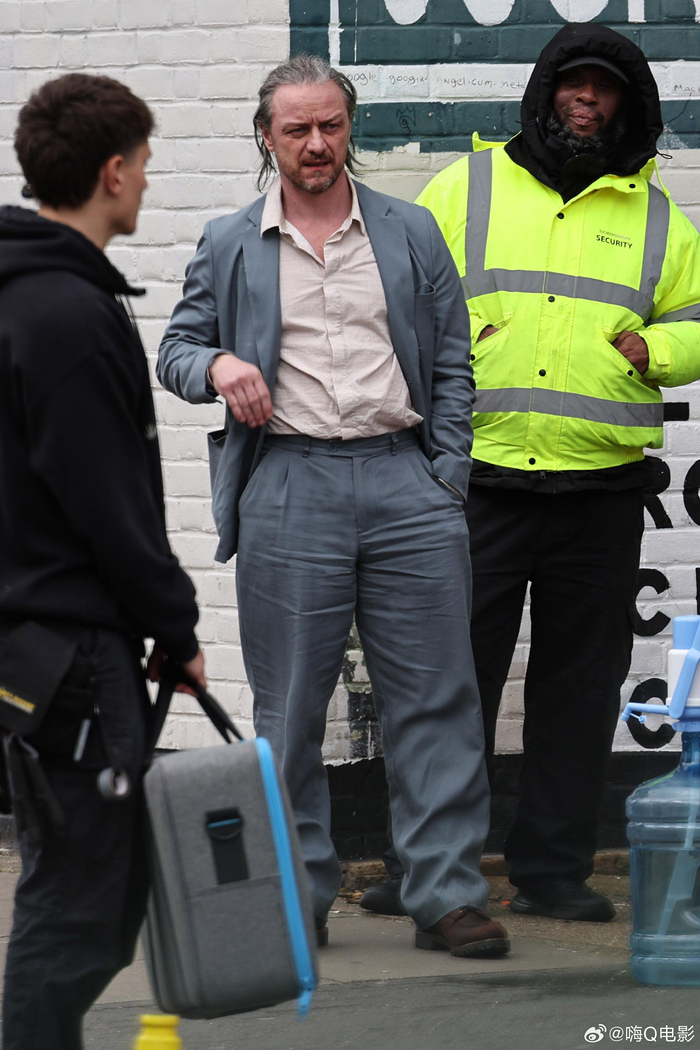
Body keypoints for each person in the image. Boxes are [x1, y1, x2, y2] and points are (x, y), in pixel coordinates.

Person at [158, 54, 509, 958]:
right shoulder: (231, 241)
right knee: (290, 713)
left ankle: (445, 895)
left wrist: (446, 475)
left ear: (349, 128)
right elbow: (176, 351)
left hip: (407, 483)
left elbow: (453, 359)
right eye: (297, 129)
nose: (317, 144)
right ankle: (296, 899)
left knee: (437, 700)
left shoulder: (409, 230)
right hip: (289, 483)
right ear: (266, 136)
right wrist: (218, 365)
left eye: (331, 126)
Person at [361, 22, 700, 924]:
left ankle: (552, 871)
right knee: (447, 683)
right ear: (546, 91)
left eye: (605, 88)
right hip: (475, 481)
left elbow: (696, 321)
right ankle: (422, 866)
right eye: (573, 83)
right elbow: (394, 294)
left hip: (602, 488)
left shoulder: (657, 215)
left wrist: (659, 349)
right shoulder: (464, 185)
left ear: (627, 106)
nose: (587, 99)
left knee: (578, 689)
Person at [0, 74, 205, 1049]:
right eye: (146, 165)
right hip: (73, 657)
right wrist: (176, 624)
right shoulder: (65, 316)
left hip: (46, 647)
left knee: (98, 889)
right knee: (79, 904)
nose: (149, 183)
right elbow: (109, 506)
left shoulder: (33, 296)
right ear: (113, 171)